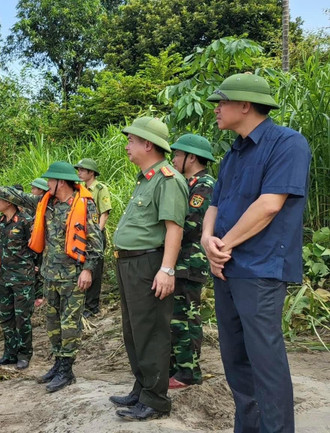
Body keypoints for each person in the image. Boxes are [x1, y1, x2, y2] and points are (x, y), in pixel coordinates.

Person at [202, 73, 311, 433]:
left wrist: (225, 244)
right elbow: (215, 204)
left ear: (245, 105)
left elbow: (269, 205)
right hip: (226, 268)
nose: (216, 109)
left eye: (222, 102)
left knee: (265, 361)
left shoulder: (288, 144)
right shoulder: (233, 152)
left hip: (261, 269)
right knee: (235, 359)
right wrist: (207, 240)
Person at [0, 161, 103, 393]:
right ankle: (58, 364)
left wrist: (88, 270)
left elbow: (95, 242)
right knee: (53, 324)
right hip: (51, 275)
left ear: (61, 182)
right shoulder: (46, 204)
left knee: (69, 325)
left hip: (73, 276)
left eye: (50, 180)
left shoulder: (84, 205)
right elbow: (18, 197)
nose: (46, 184)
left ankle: (66, 370)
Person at [109, 117, 188, 421]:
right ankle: (142, 389)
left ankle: (155, 401)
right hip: (130, 263)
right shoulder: (146, 178)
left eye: (131, 140)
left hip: (149, 263)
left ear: (148, 144)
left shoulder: (167, 179)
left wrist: (166, 270)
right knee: (134, 330)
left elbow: (174, 228)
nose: (127, 146)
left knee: (152, 331)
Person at [168, 134, 217, 389]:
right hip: (178, 262)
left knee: (186, 318)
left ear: (192, 157)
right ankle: (178, 367)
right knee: (175, 319)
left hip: (190, 262)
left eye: (178, 154)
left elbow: (190, 223)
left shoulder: (204, 184)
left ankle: (188, 373)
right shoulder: (185, 183)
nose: (174, 159)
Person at [0, 193, 37, 370]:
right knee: (6, 317)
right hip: (4, 276)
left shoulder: (25, 220)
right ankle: (10, 353)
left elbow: (35, 247)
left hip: (22, 278)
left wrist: (34, 268)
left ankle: (24, 354)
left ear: (9, 202)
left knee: (22, 317)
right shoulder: (0, 221)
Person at [74, 158, 112, 317]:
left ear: (91, 172)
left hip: (95, 233)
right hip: (82, 234)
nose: (79, 173)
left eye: (83, 170)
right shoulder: (80, 189)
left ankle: (92, 306)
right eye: (79, 170)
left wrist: (96, 233)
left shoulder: (99, 188)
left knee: (94, 270)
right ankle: (83, 303)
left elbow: (105, 212)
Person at [29, 178, 49, 307]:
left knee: (42, 269)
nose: (31, 191)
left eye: (33, 189)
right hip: (37, 243)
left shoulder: (47, 205)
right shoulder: (37, 206)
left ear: (40, 190)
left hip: (46, 245)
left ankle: (42, 296)